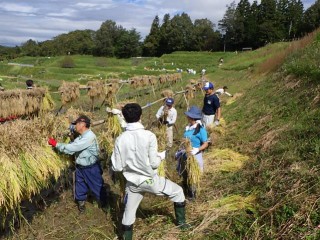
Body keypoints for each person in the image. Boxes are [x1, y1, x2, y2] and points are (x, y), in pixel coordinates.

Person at [111, 103, 189, 240]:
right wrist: (161, 156)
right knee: (178, 192)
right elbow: (153, 163)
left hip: (132, 183)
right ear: (140, 116)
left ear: (124, 117)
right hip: (150, 180)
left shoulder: (120, 139)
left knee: (128, 214)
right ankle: (182, 225)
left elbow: (117, 167)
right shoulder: (149, 136)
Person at [48, 115, 107, 213]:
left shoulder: (89, 137)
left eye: (76, 124)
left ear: (83, 125)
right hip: (80, 167)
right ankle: (81, 205)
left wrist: (56, 144)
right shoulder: (81, 137)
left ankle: (105, 205)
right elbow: (71, 148)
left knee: (97, 186)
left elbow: (72, 148)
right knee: (80, 186)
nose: (75, 126)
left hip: (91, 168)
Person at [176, 106, 209, 200]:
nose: (187, 117)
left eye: (188, 116)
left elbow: (205, 143)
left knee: (193, 175)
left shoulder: (201, 129)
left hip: (194, 156)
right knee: (185, 173)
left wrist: (197, 150)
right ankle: (186, 191)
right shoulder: (188, 128)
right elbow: (185, 141)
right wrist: (179, 151)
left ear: (192, 117)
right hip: (185, 154)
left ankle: (192, 195)